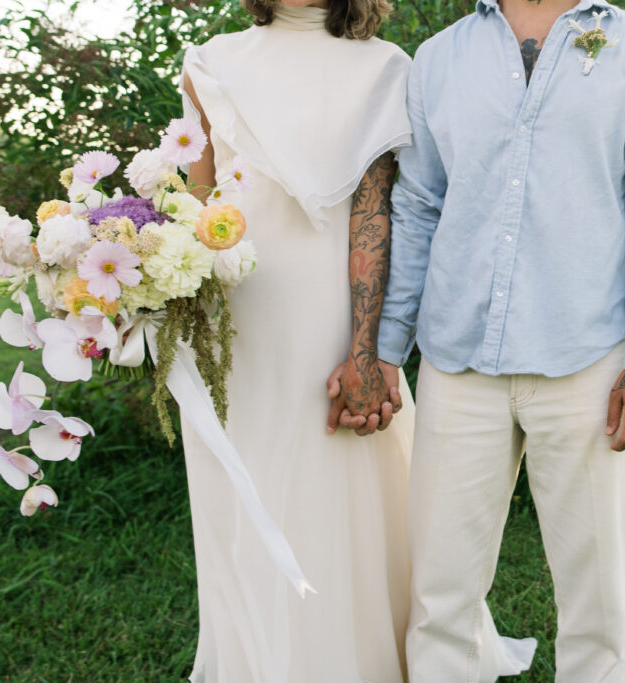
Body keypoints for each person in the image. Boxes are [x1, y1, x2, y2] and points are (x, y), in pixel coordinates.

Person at [377, 0, 625, 680]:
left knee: (596, 606)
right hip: (457, 356)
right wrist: (386, 345)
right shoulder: (440, 56)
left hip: (589, 357)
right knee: (439, 598)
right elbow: (418, 205)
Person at [178, 0, 413, 679]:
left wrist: (364, 347)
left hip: (330, 314)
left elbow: (374, 212)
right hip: (238, 312)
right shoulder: (210, 61)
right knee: (243, 482)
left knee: (334, 481)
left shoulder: (384, 69)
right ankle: (255, 657)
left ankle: (352, 657)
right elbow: (198, 197)